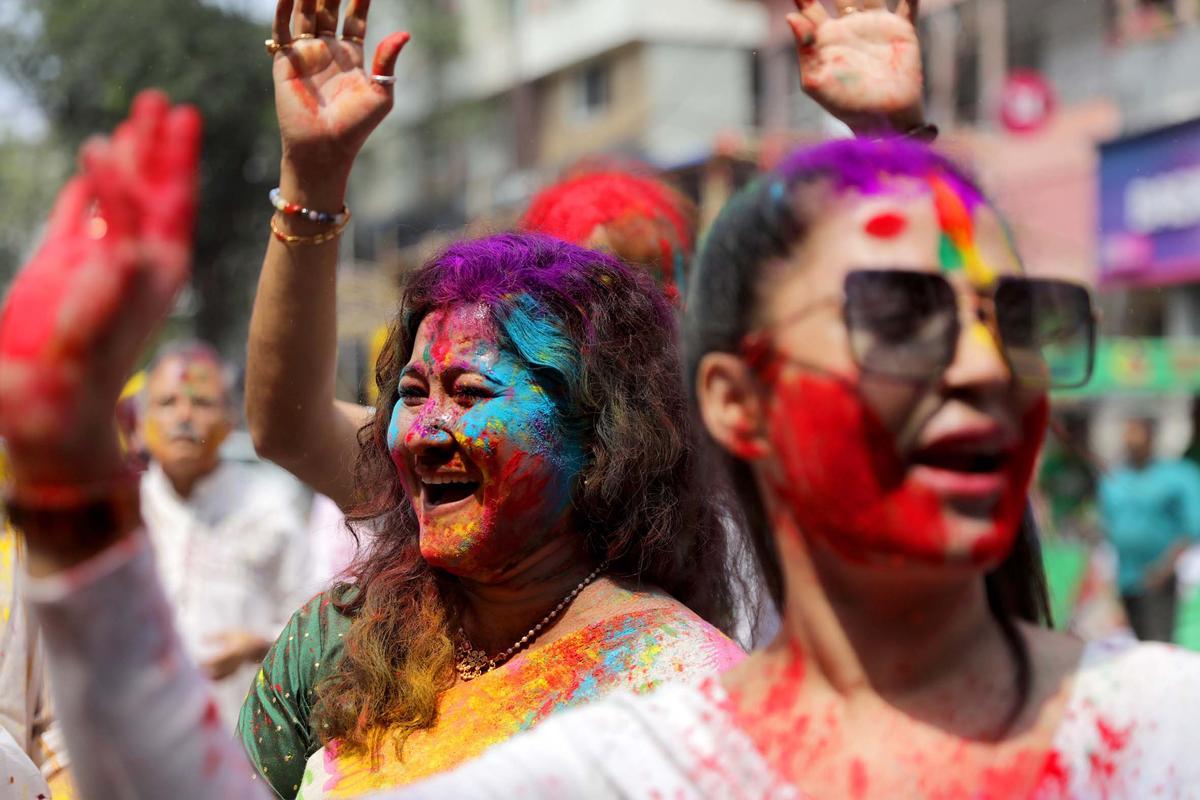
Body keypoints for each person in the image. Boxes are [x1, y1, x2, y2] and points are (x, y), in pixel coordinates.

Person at [138, 339, 313, 727]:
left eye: (201, 403)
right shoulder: (120, 514)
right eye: (167, 403)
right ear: (141, 420)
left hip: (238, 743)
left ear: (230, 419)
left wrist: (257, 644)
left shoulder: (269, 506)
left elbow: (311, 623)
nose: (183, 416)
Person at [1099, 417, 1200, 642]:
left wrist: (1165, 568)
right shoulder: (1114, 478)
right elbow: (1108, 527)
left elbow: (1192, 527)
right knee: (1136, 643)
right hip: (1125, 577)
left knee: (1159, 645)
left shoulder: (1178, 476)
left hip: (1160, 576)